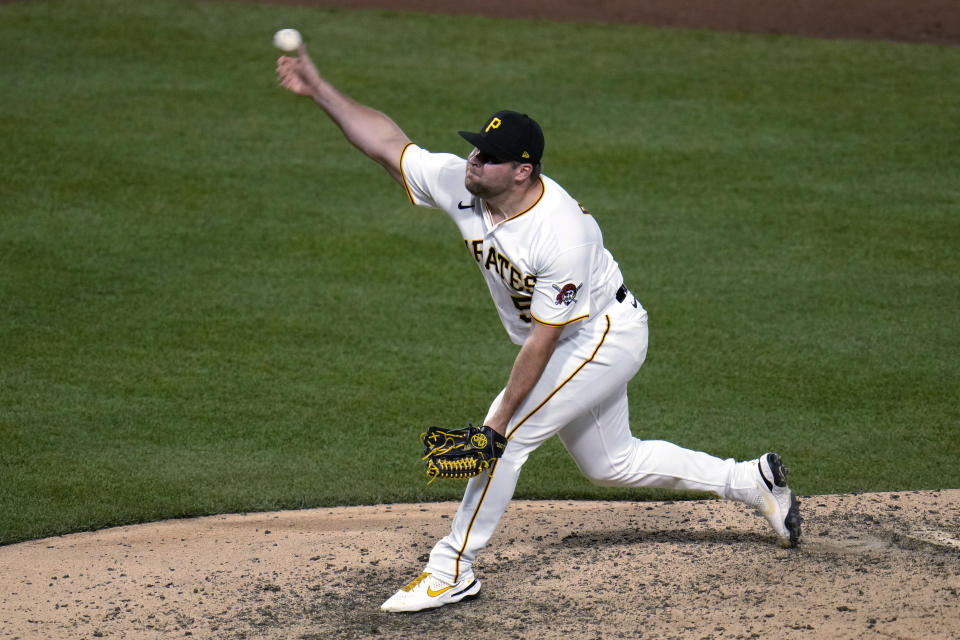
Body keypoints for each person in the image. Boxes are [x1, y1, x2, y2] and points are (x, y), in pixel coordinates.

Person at [276, 44, 802, 614]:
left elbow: (545, 340)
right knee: (611, 464)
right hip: (570, 336)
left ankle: (453, 568)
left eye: (490, 156)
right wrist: (320, 88)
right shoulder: (465, 185)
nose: (474, 159)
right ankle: (751, 481)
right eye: (476, 147)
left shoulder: (561, 234)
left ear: (523, 170)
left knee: (505, 440)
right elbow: (388, 144)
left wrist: (497, 425)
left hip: (603, 334)